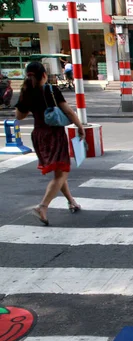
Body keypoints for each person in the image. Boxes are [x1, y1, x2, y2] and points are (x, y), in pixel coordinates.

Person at [15, 62, 85, 226]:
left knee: (58, 173)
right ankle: (42, 206)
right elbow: (68, 111)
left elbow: (19, 116)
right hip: (53, 134)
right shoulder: (51, 90)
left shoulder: (27, 91)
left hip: (38, 135)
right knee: (62, 173)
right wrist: (80, 127)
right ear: (44, 75)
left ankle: (71, 201)